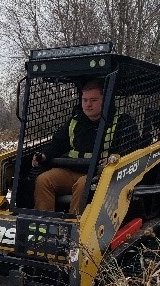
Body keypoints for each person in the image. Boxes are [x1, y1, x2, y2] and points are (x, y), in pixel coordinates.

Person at [32, 79, 140, 213]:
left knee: (83, 184)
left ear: (105, 100)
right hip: (72, 170)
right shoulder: (75, 121)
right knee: (44, 180)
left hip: (101, 175)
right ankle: (44, 223)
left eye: (93, 100)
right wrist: (43, 155)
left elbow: (131, 149)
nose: (88, 104)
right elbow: (57, 144)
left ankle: (74, 226)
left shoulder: (122, 122)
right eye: (85, 100)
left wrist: (114, 159)